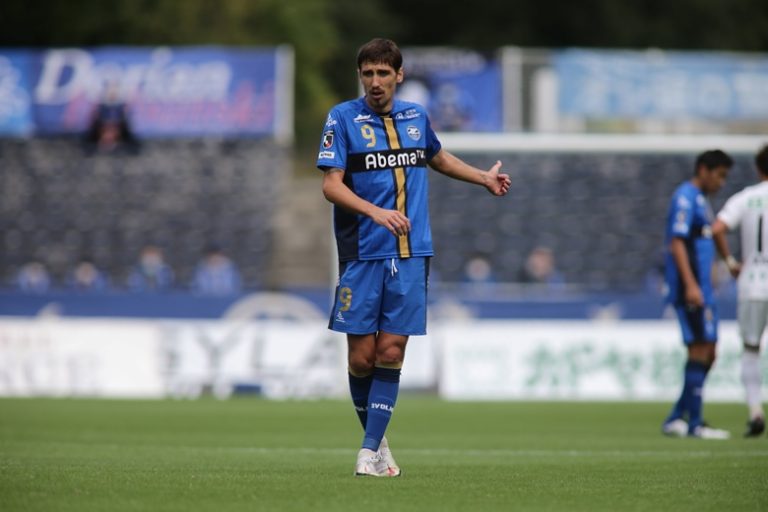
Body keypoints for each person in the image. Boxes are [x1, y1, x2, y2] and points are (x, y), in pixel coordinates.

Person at [317, 38, 511, 477]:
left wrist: (482, 177)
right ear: (360, 76)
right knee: (360, 358)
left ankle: (368, 451)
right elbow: (331, 185)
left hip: (410, 252)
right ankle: (378, 443)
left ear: (399, 75)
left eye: (383, 73)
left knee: (391, 350)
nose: (375, 82)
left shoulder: (416, 117)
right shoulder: (342, 118)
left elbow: (437, 158)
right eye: (368, 73)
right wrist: (376, 212)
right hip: (362, 252)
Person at [660, 149, 733, 440]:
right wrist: (690, 285)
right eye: (719, 175)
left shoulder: (701, 200)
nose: (721, 182)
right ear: (703, 169)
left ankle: (677, 416)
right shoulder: (685, 197)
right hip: (691, 288)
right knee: (700, 349)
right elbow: (677, 243)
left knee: (709, 351)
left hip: (703, 287)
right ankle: (695, 423)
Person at [712, 143, 768, 437]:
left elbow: (717, 228)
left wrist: (731, 262)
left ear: (758, 169)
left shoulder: (746, 198)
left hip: (753, 282)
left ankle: (756, 412)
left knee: (750, 350)